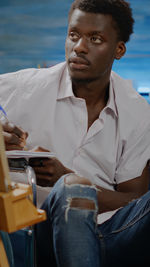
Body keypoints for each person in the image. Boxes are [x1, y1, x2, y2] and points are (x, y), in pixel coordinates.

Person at [0, 0, 150, 266]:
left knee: (74, 183)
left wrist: (64, 175)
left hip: (111, 235)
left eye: (95, 38)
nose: (79, 47)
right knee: (73, 189)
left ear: (119, 49)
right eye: (74, 35)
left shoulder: (138, 113)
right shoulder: (21, 89)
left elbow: (134, 200)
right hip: (43, 232)